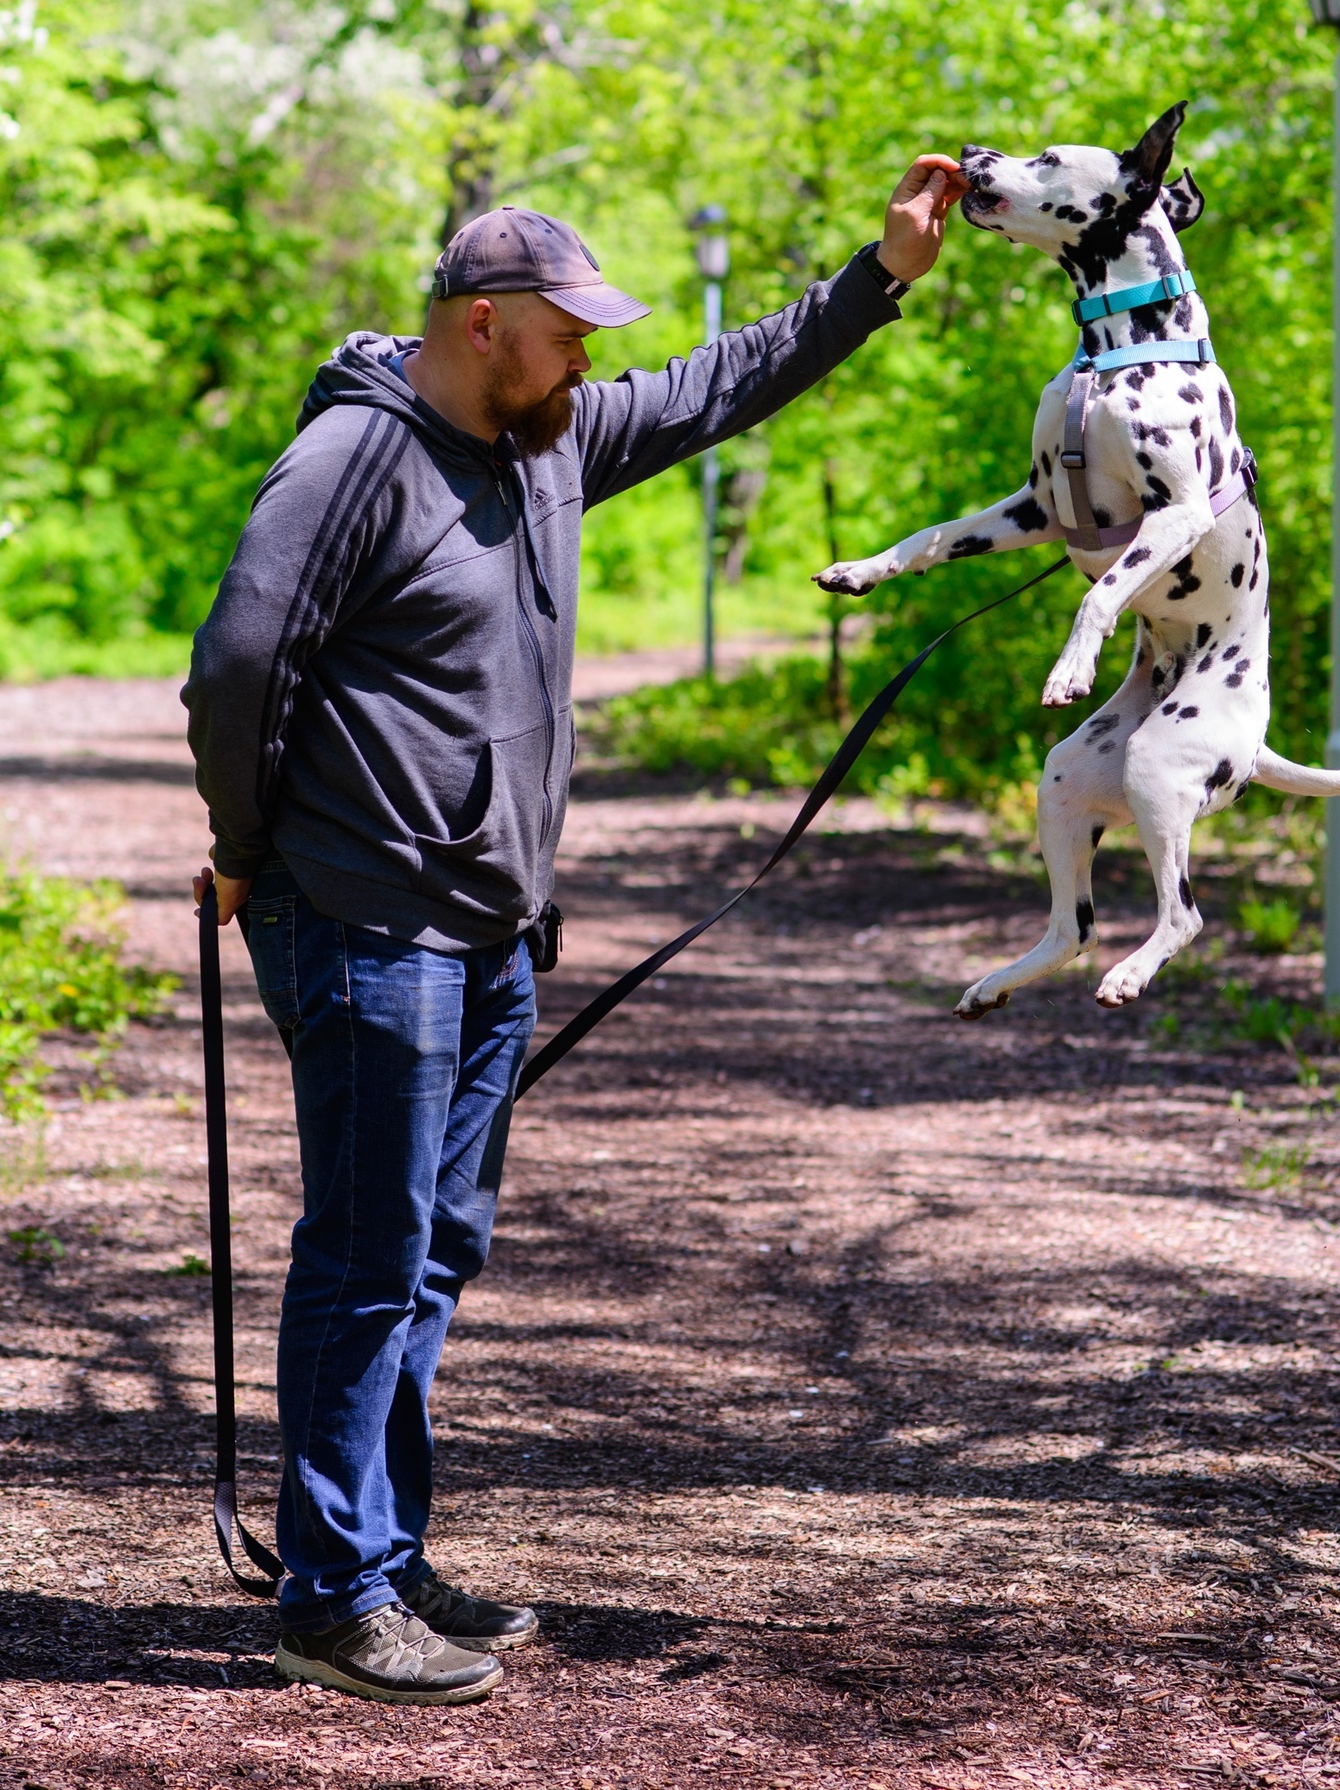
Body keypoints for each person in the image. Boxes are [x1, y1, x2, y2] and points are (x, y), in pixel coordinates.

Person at [184, 156, 962, 1703]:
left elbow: (719, 386)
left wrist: (876, 281)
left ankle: (381, 1552)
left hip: (488, 930)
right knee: (363, 1252)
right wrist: (248, 850)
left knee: (426, 1254)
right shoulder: (353, 460)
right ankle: (331, 1597)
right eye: (567, 332)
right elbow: (236, 665)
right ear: (483, 324)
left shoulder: (542, 444)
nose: (591, 359)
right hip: (368, 920)